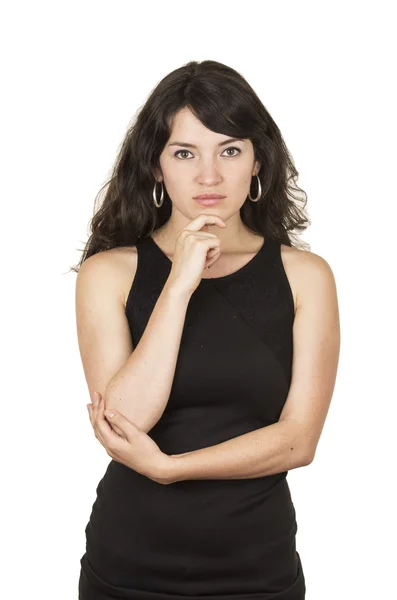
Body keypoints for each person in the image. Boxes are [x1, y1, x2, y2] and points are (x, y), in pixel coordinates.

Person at [72, 60, 340, 599]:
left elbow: (298, 441)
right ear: (155, 166)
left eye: (231, 150)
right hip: (128, 568)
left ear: (257, 161)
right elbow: (124, 422)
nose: (210, 176)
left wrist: (172, 468)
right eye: (185, 153)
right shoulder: (110, 273)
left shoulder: (306, 277)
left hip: (257, 570)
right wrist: (178, 285)